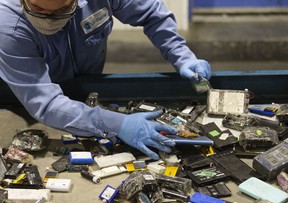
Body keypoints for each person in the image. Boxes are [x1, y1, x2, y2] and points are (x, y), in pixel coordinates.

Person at [0, 0, 211, 160]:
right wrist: (118, 124)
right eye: (37, 8)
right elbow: (46, 104)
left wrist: (181, 55)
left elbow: (151, 14)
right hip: (21, 98)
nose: (49, 18)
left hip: (85, 91)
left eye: (61, 10)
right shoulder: (8, 26)